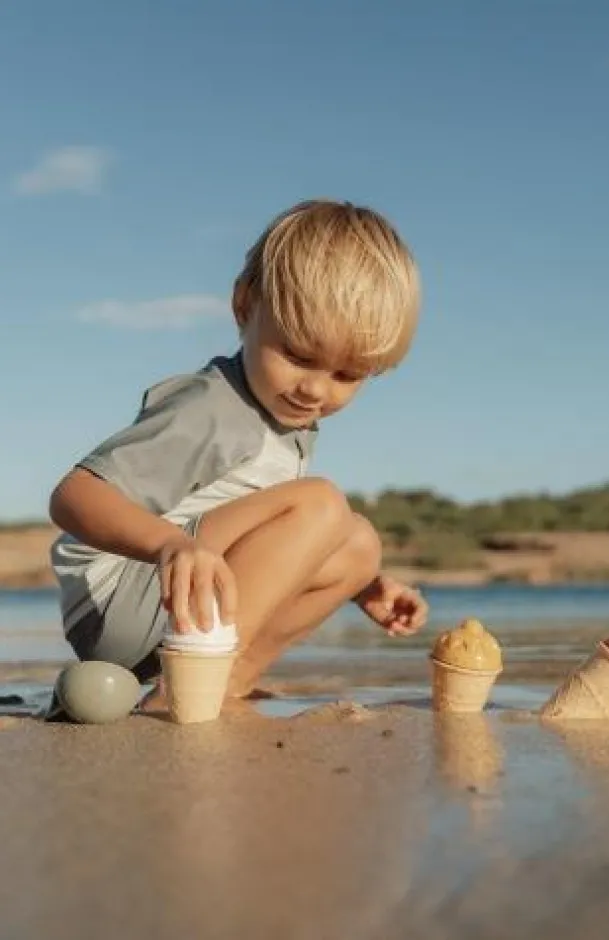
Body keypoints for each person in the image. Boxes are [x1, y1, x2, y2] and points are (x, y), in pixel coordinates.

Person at [47, 199, 429, 713]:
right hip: (119, 601)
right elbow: (73, 495)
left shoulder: (285, 418)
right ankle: (184, 690)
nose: (315, 390)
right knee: (319, 502)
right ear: (244, 307)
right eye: (298, 355)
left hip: (173, 604)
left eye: (347, 375)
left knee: (358, 543)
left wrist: (362, 587)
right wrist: (168, 545)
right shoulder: (212, 409)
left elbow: (269, 543)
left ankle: (225, 682)